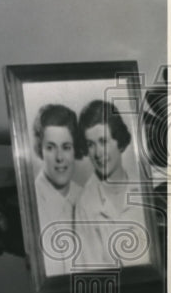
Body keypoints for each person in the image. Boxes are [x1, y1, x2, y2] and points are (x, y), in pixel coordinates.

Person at [73, 99, 152, 268]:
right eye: (90, 145)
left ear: (119, 142)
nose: (97, 153)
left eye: (103, 141)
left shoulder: (146, 189)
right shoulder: (84, 205)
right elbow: (90, 271)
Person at [31, 103, 83, 276]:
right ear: (40, 150)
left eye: (66, 147)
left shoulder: (86, 196)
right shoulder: (30, 202)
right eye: (51, 147)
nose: (60, 157)